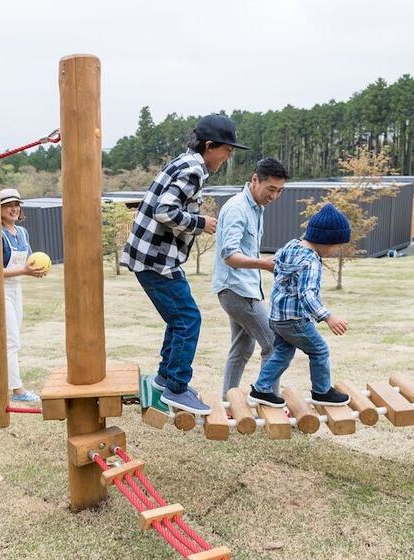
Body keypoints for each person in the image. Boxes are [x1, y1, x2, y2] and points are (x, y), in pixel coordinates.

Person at [121, 114, 249, 415]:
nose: (227, 157)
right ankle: (176, 389)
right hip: (155, 260)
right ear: (210, 145)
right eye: (227, 150)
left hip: (154, 257)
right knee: (188, 319)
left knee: (179, 319)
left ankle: (166, 378)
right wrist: (200, 222)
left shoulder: (184, 162)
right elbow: (165, 211)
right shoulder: (193, 169)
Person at [248, 203, 353, 408]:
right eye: (337, 245)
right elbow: (307, 295)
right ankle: (322, 392)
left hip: (277, 317)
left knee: (283, 353)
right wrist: (328, 317)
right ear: (327, 240)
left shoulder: (291, 246)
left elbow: (277, 265)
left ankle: (261, 389)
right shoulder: (311, 261)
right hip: (294, 320)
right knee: (319, 350)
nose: (337, 250)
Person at [212, 158, 288, 400]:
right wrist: (264, 264)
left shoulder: (256, 208)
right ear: (255, 180)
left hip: (243, 289)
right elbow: (230, 255)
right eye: (271, 189)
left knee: (242, 348)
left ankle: (228, 402)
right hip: (237, 290)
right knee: (274, 344)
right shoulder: (238, 208)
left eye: (280, 191)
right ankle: (267, 396)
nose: (274, 196)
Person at [0, 188, 47, 402]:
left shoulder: (22, 232)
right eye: (8, 205)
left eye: (16, 204)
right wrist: (25, 271)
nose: (14, 209)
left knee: (11, 335)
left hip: (14, 289)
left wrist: (36, 269)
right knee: (12, 341)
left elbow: (28, 261)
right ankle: (18, 391)